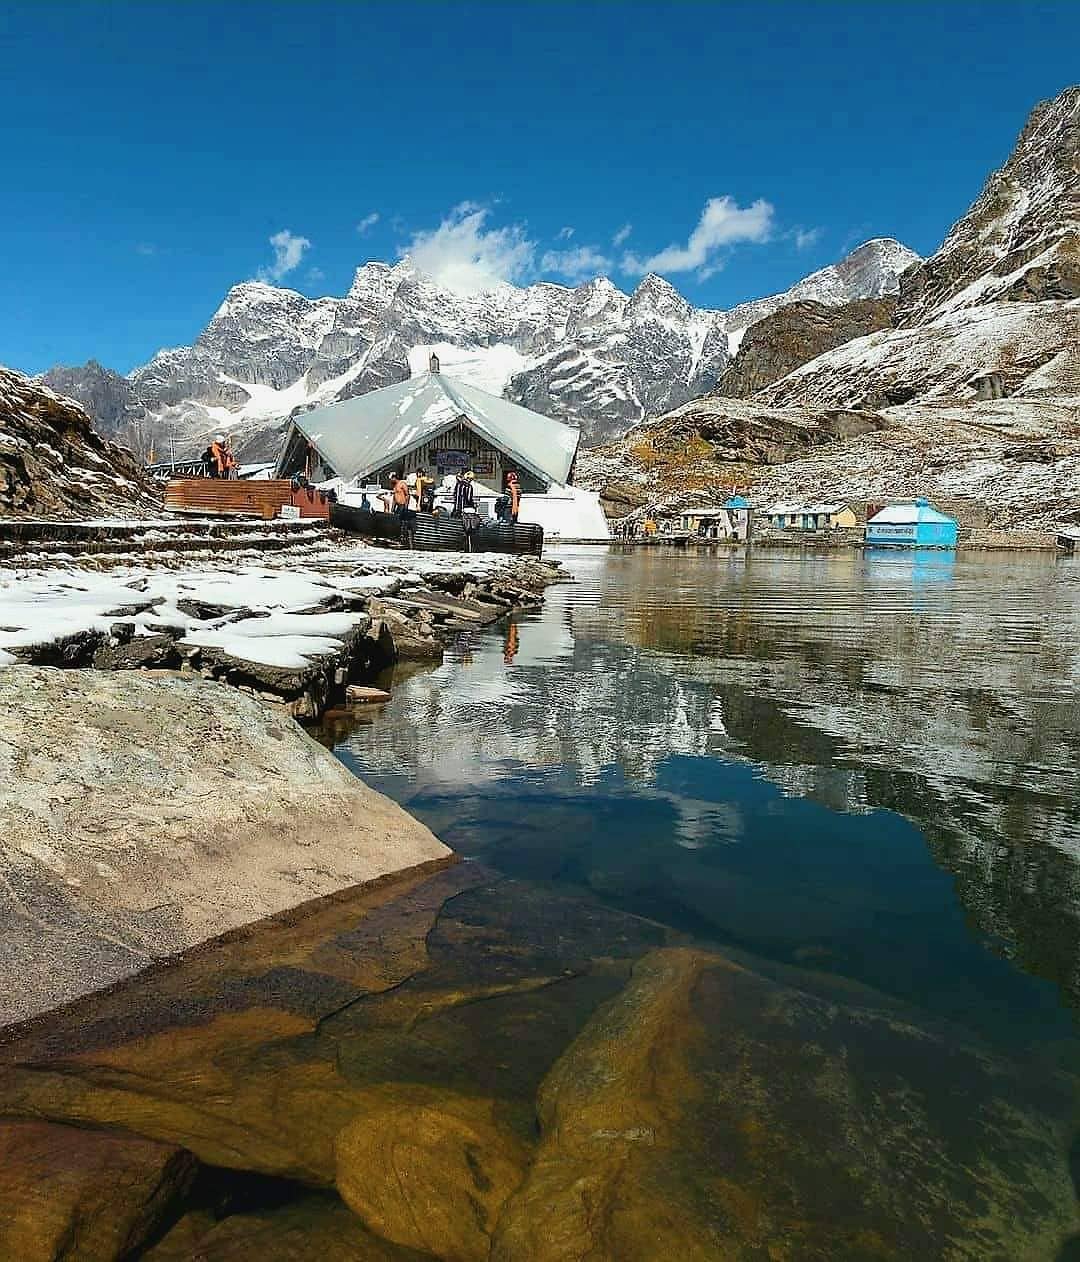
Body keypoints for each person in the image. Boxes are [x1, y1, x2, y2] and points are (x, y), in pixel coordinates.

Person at [392, 472, 417, 549]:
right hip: (398, 506)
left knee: (402, 523)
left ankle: (403, 540)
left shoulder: (402, 484)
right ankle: (397, 538)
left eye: (392, 478)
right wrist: (393, 507)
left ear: (395, 477)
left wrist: (406, 505)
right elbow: (394, 497)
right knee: (396, 522)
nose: (391, 480)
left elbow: (407, 495)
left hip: (403, 505)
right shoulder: (395, 486)